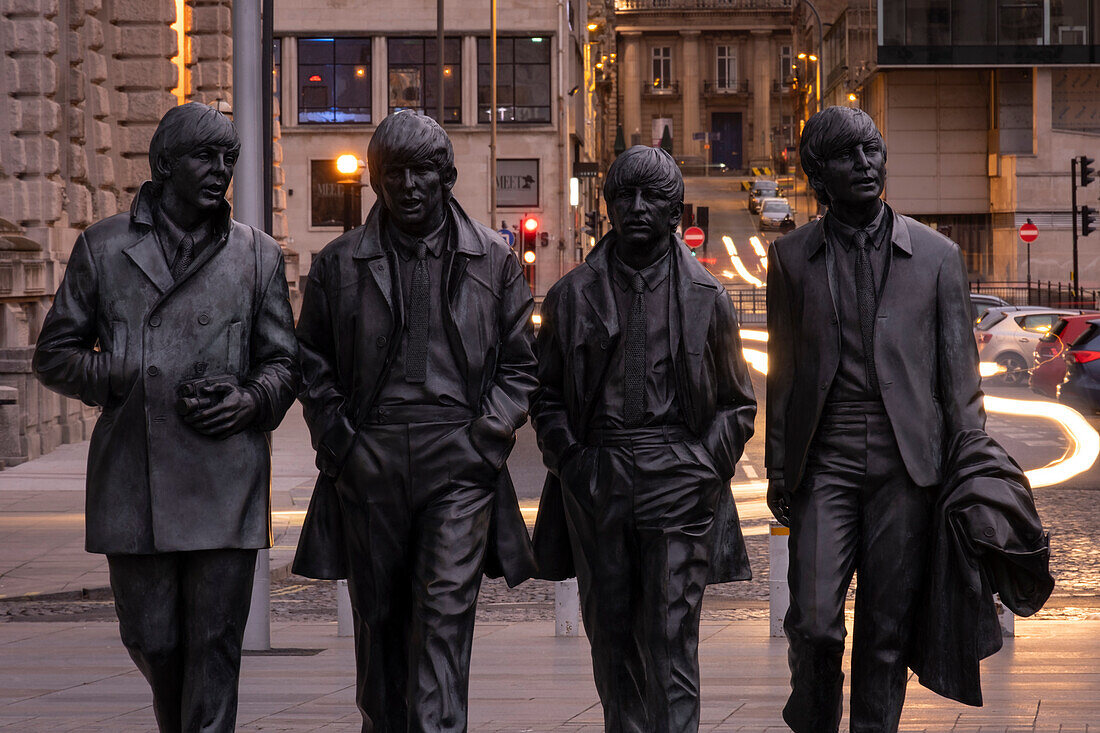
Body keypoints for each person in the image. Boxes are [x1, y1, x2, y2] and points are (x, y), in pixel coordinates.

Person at [33, 102, 299, 732]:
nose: (220, 171)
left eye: (229, 158)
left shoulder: (256, 255)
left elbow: (286, 363)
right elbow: (54, 356)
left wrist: (252, 399)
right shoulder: (104, 248)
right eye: (205, 157)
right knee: (154, 641)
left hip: (225, 476)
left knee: (214, 648)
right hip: (135, 480)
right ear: (162, 164)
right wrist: (122, 371)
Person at [291, 110, 537, 733]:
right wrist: (340, 441)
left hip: (458, 461)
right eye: (394, 173)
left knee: (443, 617)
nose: (409, 186)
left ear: (448, 176)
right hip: (370, 459)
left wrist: (487, 437)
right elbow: (310, 360)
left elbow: (520, 366)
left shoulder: (494, 261)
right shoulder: (339, 264)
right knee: (381, 629)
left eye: (423, 171)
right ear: (376, 181)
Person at [765, 105, 985, 732]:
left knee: (886, 633)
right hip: (824, 460)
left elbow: (961, 382)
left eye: (872, 151)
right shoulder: (790, 259)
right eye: (846, 156)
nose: (864, 165)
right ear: (817, 174)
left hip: (906, 467)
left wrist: (969, 475)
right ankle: (811, 716)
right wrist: (779, 467)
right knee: (812, 623)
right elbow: (783, 371)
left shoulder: (939, 257)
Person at [531, 145, 757, 732]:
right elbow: (545, 396)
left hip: (677, 477)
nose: (636, 207)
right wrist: (575, 464)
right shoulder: (572, 296)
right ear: (607, 206)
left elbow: (737, 403)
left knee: (671, 638)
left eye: (651, 196)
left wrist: (703, 467)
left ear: (675, 210)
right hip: (598, 475)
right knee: (610, 640)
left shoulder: (709, 299)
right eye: (623, 195)